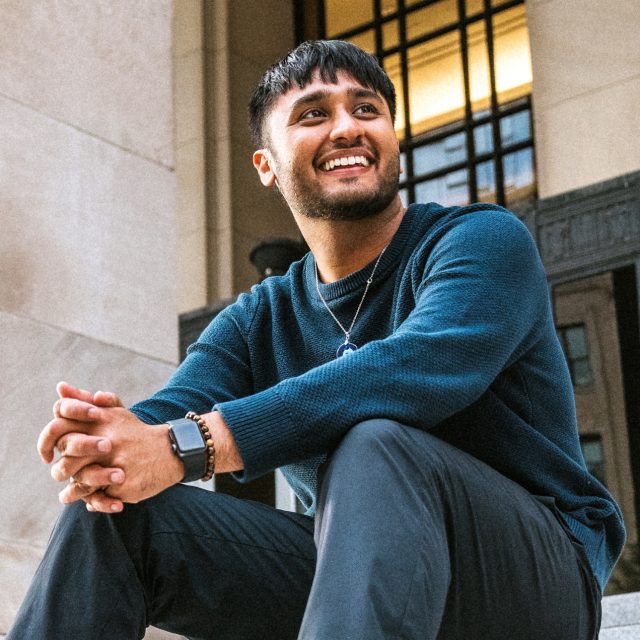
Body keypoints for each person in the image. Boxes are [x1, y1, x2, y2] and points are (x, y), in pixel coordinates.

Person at [9, 40, 624, 640]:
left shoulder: (480, 241)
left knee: (378, 440)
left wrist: (187, 445)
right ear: (266, 166)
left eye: (366, 110)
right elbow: (172, 412)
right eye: (313, 115)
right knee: (114, 516)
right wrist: (107, 446)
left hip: (534, 582)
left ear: (393, 141)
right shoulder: (260, 317)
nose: (347, 128)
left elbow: (408, 370)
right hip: (358, 574)